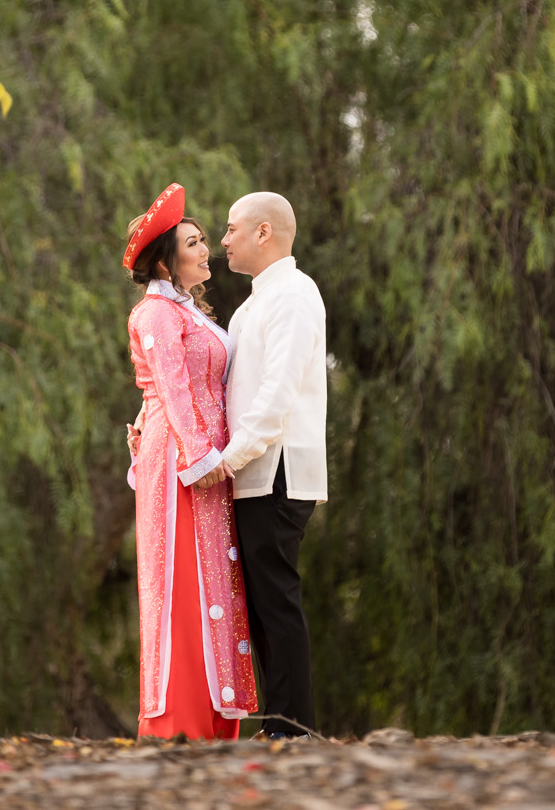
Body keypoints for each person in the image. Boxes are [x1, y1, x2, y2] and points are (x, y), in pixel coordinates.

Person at [122, 182, 258, 740]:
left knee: (212, 578)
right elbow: (173, 392)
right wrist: (202, 458)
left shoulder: (189, 312)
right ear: (167, 259)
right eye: (195, 242)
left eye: (205, 240)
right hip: (183, 463)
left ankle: (212, 718)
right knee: (183, 580)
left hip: (201, 459)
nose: (207, 251)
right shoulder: (155, 313)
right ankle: (178, 720)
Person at [217, 191, 327, 739]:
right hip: (250, 474)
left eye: (232, 228)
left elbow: (278, 394)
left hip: (277, 469)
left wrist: (228, 459)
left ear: (264, 232)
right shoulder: (248, 307)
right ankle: (280, 723)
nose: (223, 240)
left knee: (276, 599)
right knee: (260, 602)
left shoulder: (294, 294)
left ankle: (294, 729)